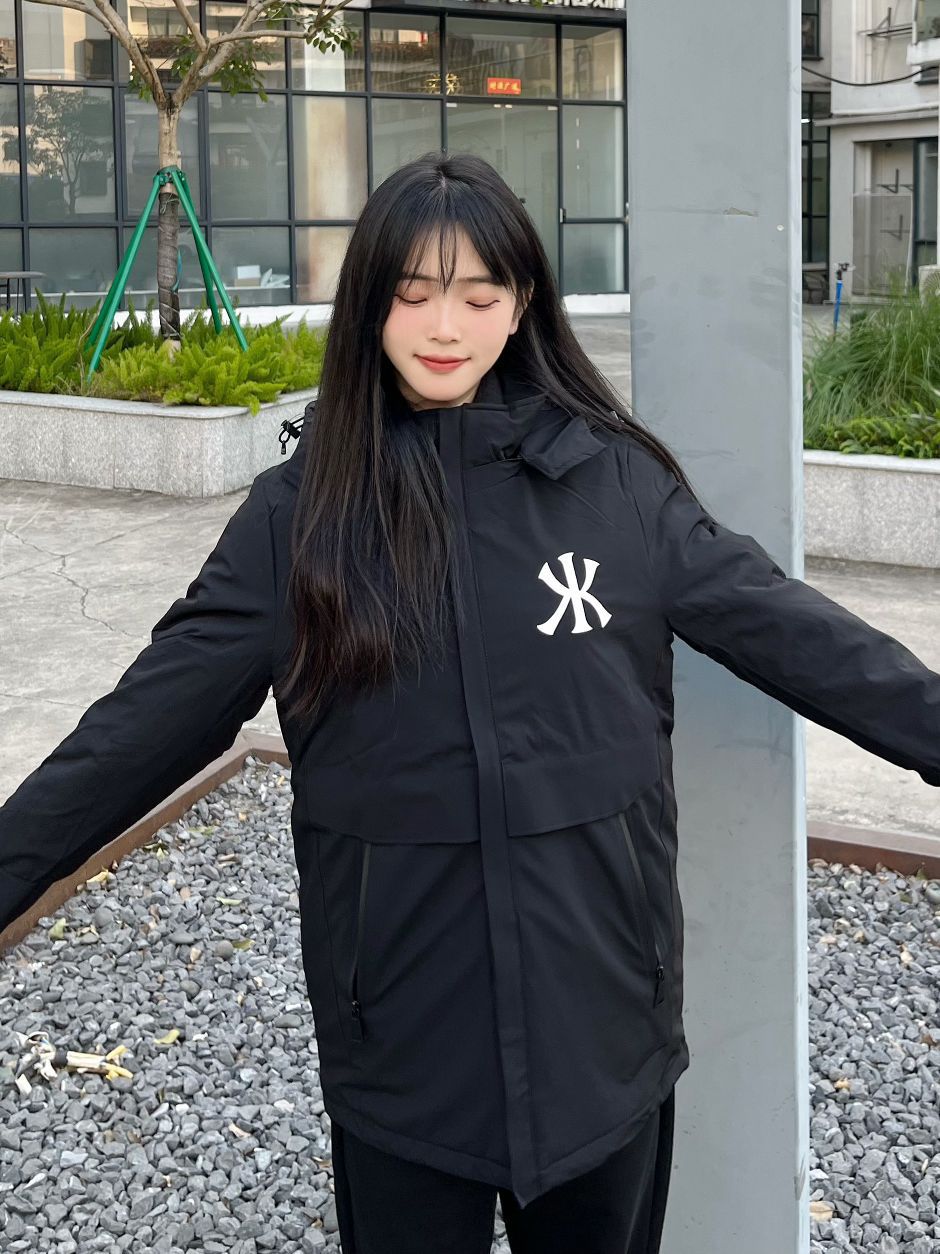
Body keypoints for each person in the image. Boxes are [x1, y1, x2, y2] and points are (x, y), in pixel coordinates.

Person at [1, 151, 938, 1254]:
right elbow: (140, 730)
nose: (444, 327)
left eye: (479, 296)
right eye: (413, 294)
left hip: (604, 1041)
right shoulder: (299, 519)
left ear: (522, 304)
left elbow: (798, 635)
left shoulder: (617, 487)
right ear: (368, 304)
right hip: (404, 1057)